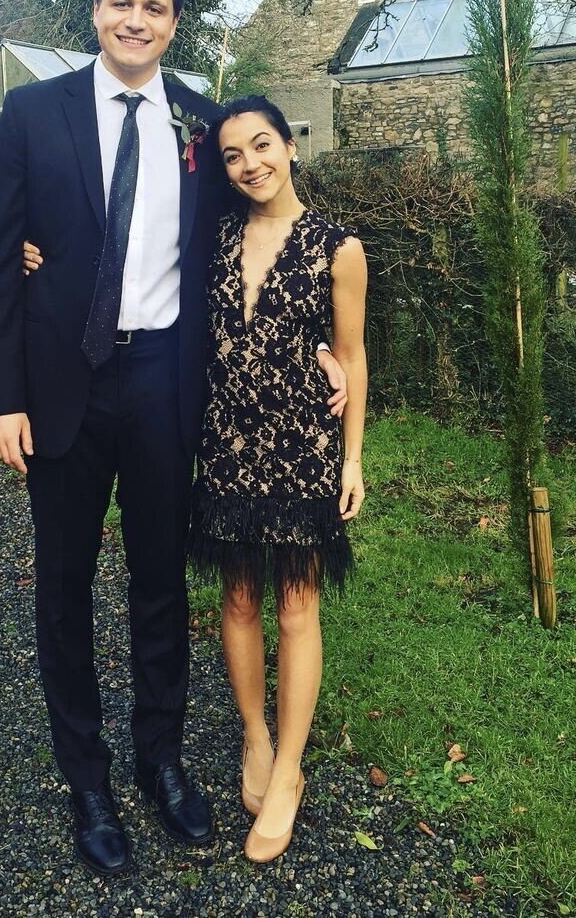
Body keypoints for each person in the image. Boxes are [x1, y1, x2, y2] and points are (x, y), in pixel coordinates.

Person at [0, 0, 347, 876]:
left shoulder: (201, 120)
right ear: (96, 9)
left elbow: (254, 231)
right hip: (62, 384)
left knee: (159, 583)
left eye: (154, 8)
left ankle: (160, 760)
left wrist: (313, 339)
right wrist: (1, 397)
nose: (136, 20)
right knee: (63, 588)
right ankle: (87, 782)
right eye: (122, 4)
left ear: (174, 23)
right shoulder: (32, 111)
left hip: (164, 384)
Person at [188, 95, 367, 863]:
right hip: (227, 444)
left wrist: (352, 458)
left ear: (290, 147)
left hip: (301, 447)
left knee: (296, 608)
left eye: (261, 145)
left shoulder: (338, 248)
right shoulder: (212, 236)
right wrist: (36, 249)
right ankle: (255, 737)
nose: (249, 164)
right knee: (237, 599)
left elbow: (351, 356)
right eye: (233, 154)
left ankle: (289, 769)